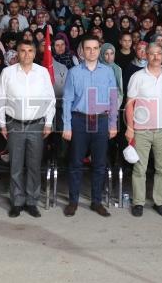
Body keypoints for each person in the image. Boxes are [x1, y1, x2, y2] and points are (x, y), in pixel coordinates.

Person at [0, 40, 55, 218]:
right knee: (16, 165)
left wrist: (49, 123)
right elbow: (1, 99)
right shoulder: (7, 73)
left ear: (35, 53)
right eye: (23, 51)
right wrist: (2, 124)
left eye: (30, 50)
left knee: (34, 165)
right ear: (17, 53)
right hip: (15, 124)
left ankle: (31, 201)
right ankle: (17, 202)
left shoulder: (42, 72)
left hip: (37, 125)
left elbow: (50, 99)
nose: (26, 54)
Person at [62, 37, 119, 217]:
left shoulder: (108, 72)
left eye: (95, 48)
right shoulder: (74, 72)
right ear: (82, 51)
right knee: (76, 163)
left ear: (99, 50)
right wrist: (67, 126)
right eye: (88, 48)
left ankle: (96, 202)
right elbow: (67, 100)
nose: (92, 52)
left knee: (100, 164)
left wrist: (112, 123)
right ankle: (73, 201)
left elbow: (113, 99)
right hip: (79, 120)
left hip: (101, 121)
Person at [125, 43, 162, 217]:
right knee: (140, 168)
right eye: (152, 54)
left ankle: (159, 202)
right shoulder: (137, 77)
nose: (156, 57)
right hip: (142, 129)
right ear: (146, 55)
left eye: (159, 53)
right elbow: (130, 104)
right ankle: (138, 202)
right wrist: (130, 128)